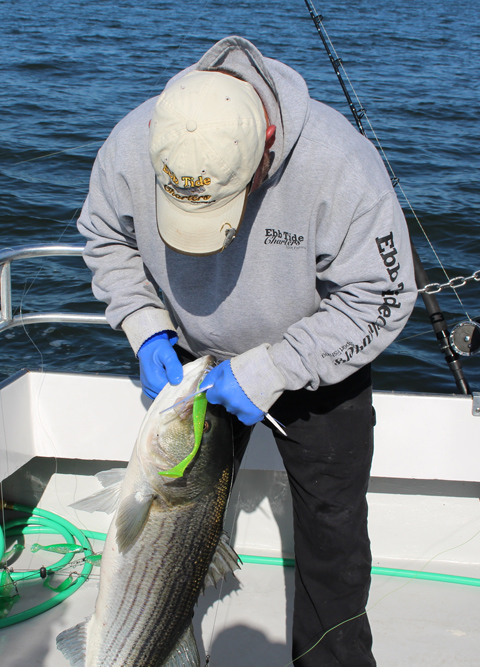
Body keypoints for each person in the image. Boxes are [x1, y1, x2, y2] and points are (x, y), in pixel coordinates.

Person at [77, 36, 415, 666]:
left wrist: (275, 367)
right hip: (190, 364)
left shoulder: (341, 166)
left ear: (264, 152)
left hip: (315, 363)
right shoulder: (136, 142)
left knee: (333, 538)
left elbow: (384, 297)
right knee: (174, 532)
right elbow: (105, 237)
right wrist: (145, 327)